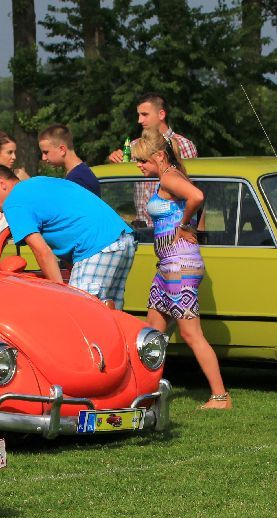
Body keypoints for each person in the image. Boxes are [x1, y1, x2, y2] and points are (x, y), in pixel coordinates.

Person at [131, 128, 229, 410]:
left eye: (143, 161)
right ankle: (145, 394)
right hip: (168, 266)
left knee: (190, 334)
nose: (139, 166)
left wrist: (185, 224)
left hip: (179, 265)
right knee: (152, 331)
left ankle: (220, 396)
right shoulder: (169, 176)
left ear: (159, 156)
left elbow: (197, 196)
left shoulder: (170, 177)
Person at [0, 164, 136, 309]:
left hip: (96, 246)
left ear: (2, 184)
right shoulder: (39, 183)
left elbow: (42, 252)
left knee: (79, 317)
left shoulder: (14, 201)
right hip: (123, 238)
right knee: (111, 319)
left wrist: (60, 295)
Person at [107, 93, 197, 226]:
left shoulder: (183, 145)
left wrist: (196, 230)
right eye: (138, 115)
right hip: (141, 229)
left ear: (161, 114)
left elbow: (196, 191)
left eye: (144, 114)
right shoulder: (134, 146)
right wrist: (114, 160)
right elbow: (120, 179)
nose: (139, 120)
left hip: (172, 228)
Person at [38, 124, 101, 196]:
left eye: (46, 152)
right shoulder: (78, 174)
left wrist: (29, 184)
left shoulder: (78, 179)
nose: (43, 158)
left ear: (62, 150)